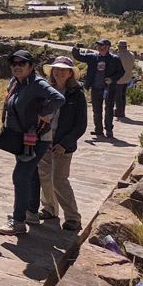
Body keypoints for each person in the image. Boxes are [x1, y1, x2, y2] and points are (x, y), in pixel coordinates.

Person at [0, 50, 65, 236]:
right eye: (14, 63)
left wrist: (43, 111)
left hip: (36, 139)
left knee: (19, 177)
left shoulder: (37, 83)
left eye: (22, 63)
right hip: (23, 138)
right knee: (30, 175)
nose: (17, 66)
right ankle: (31, 213)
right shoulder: (16, 83)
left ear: (31, 66)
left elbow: (59, 98)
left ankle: (18, 222)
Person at [36, 57, 87, 231]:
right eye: (56, 69)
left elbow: (80, 124)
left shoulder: (76, 93)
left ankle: (73, 217)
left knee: (59, 179)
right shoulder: (46, 90)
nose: (59, 72)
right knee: (44, 175)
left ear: (71, 73)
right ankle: (49, 208)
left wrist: (64, 144)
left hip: (63, 142)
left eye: (64, 70)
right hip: (44, 138)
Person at [73, 39, 124, 138]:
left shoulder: (115, 59)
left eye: (102, 45)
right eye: (98, 45)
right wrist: (76, 49)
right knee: (96, 110)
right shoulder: (93, 57)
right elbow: (79, 57)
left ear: (108, 47)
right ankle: (98, 130)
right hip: (96, 88)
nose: (99, 47)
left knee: (109, 109)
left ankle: (109, 130)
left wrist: (112, 79)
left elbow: (121, 72)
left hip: (109, 89)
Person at [114, 40, 136, 120]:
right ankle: (122, 111)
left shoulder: (119, 56)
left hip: (120, 77)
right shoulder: (131, 54)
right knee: (123, 95)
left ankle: (119, 112)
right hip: (128, 76)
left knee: (118, 96)